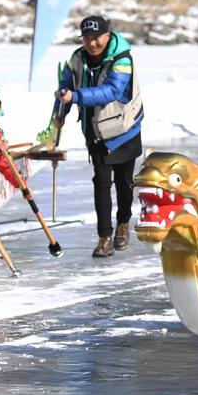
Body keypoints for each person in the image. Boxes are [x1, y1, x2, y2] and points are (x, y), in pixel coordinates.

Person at [55, 15, 143, 258]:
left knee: (124, 184)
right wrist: (59, 112)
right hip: (95, 130)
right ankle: (104, 237)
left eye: (96, 38)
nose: (92, 43)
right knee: (101, 183)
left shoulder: (123, 59)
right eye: (87, 38)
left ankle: (123, 223)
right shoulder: (77, 58)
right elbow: (65, 87)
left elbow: (113, 91)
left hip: (124, 128)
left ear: (107, 35)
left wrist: (76, 97)